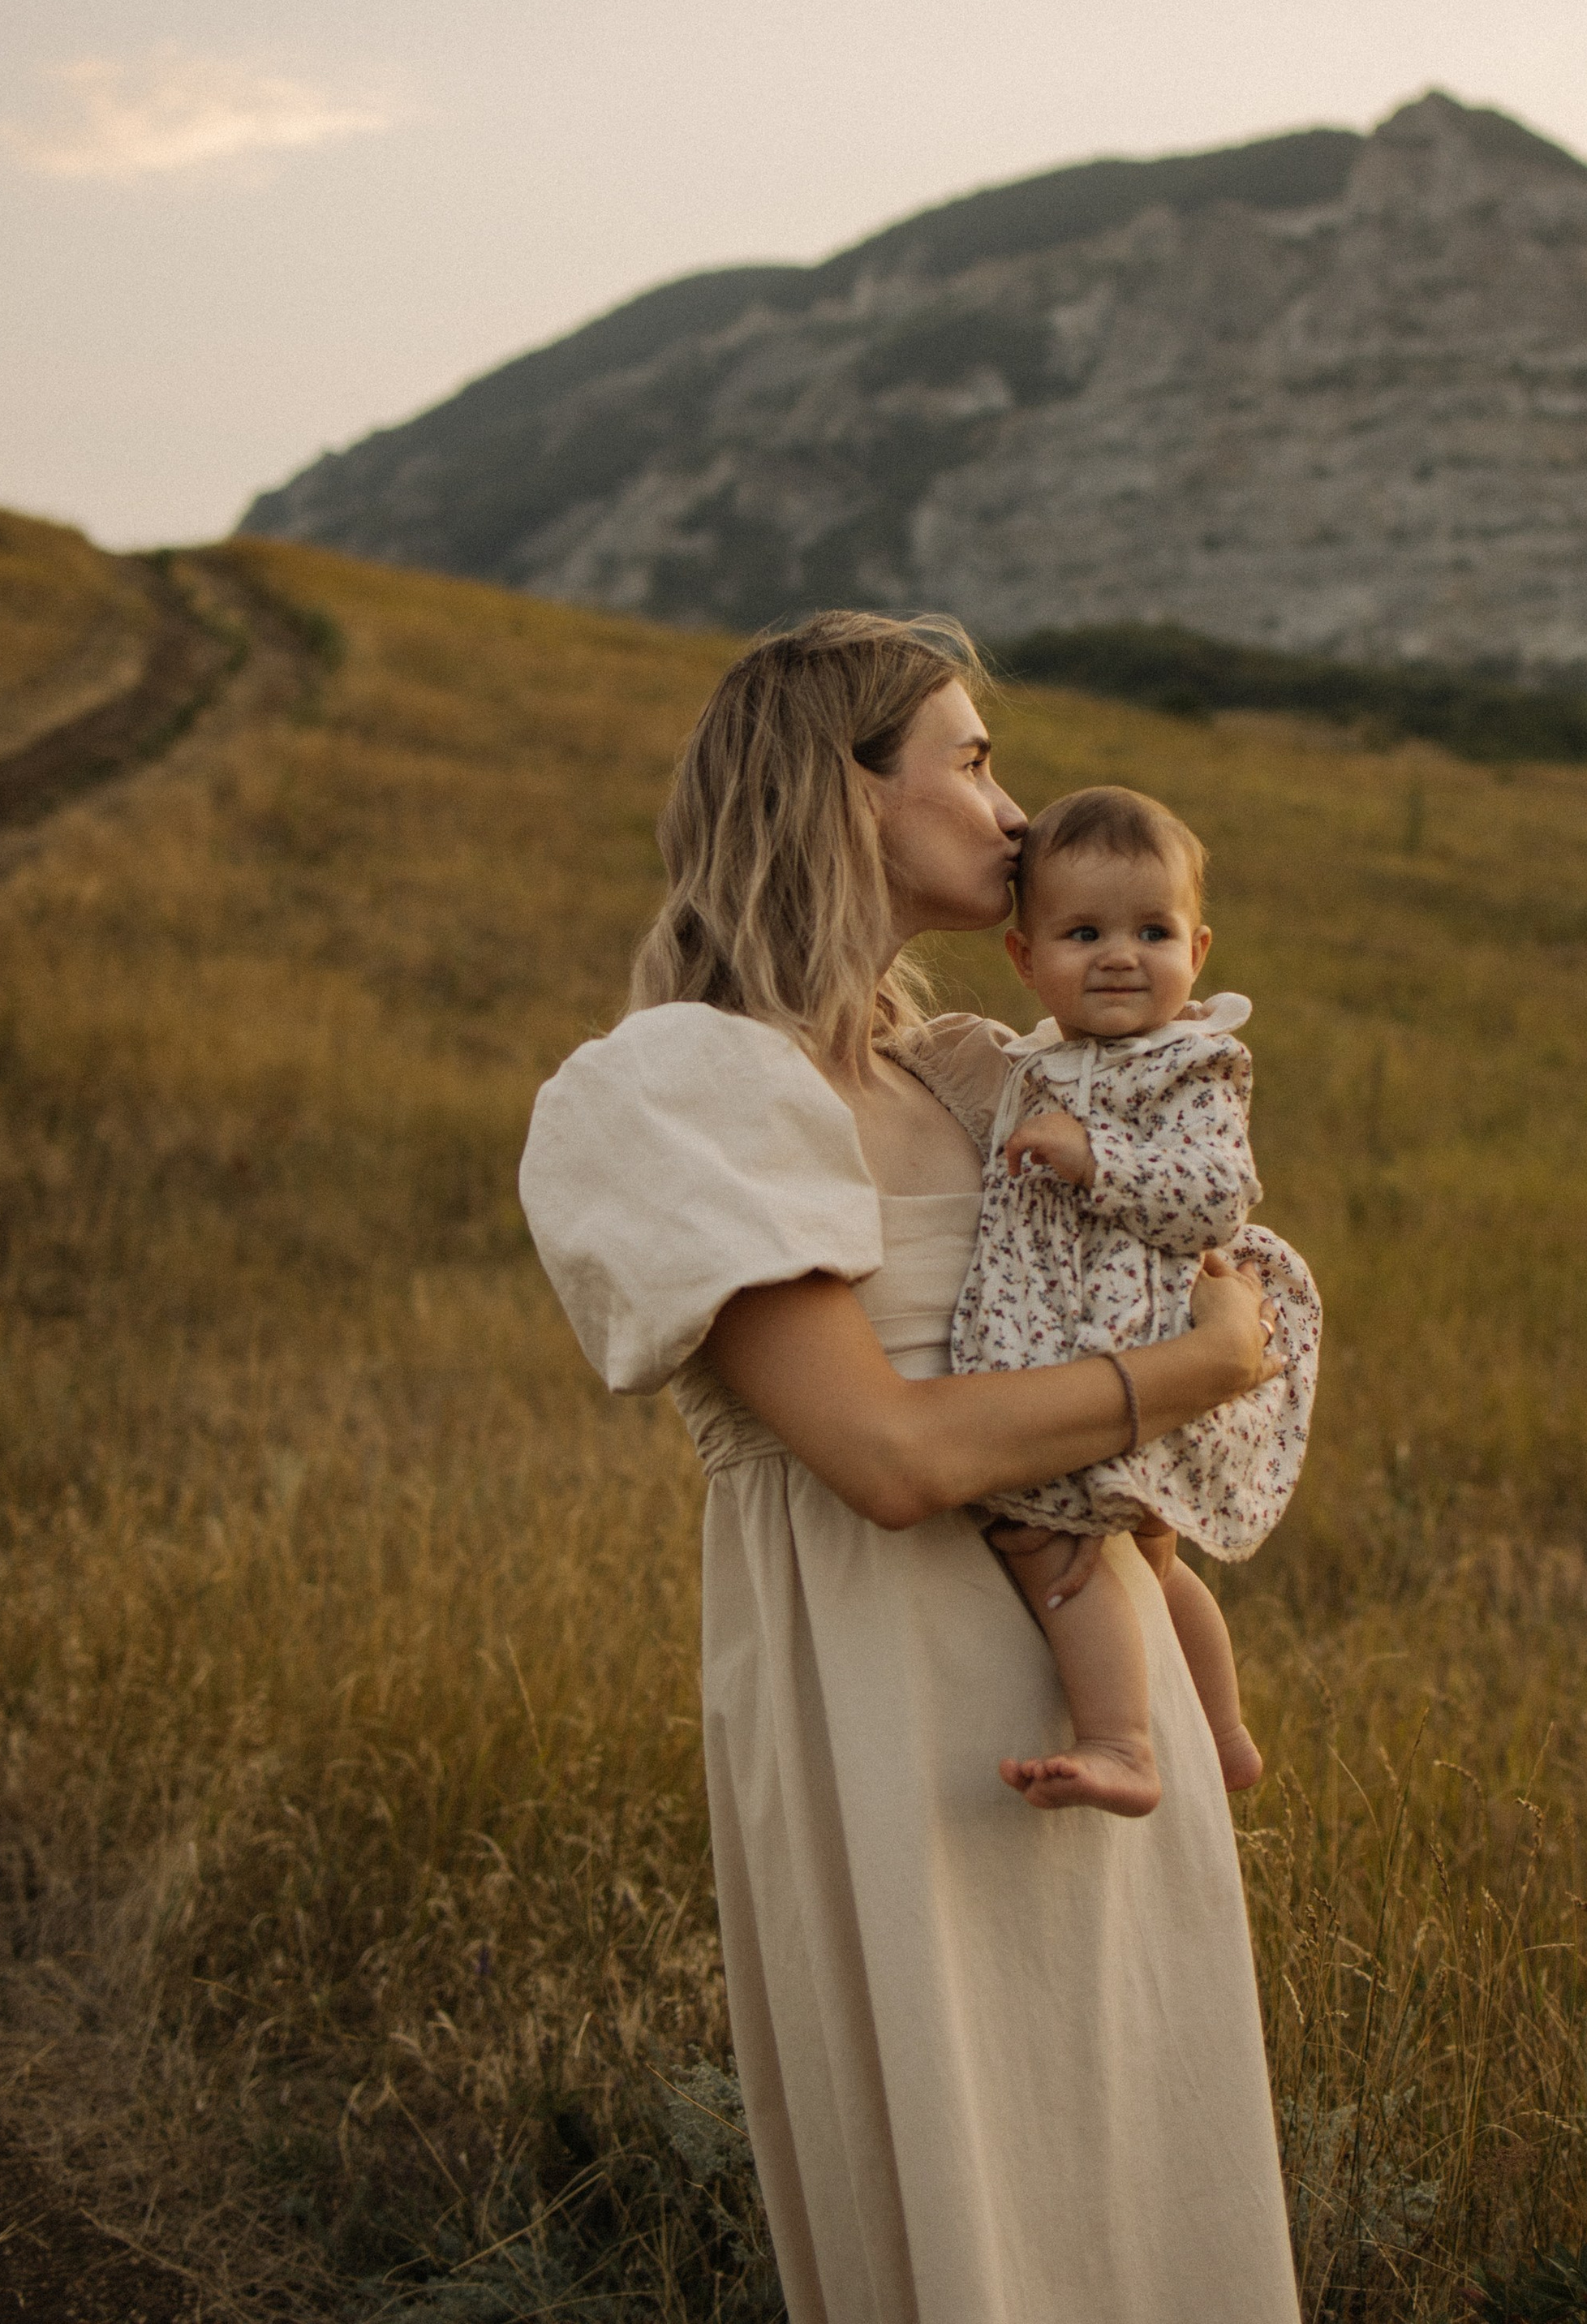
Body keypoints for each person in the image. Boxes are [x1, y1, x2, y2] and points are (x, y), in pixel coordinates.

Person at [519, 612, 1302, 2324]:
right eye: (969, 758)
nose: (1013, 813)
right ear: (845, 791)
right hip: (892, 1688)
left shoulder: (967, 1077)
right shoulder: (684, 1085)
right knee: (973, 2186)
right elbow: (881, 1453)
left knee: (1139, 2159)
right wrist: (1197, 1365)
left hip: (1098, 1683)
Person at [931, 784, 1322, 1820]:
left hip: (1130, 1343)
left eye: (1151, 930)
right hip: (1082, 1338)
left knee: (1051, 1542)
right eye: (1083, 930)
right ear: (1025, 958)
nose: (1119, 954)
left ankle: (1121, 1740)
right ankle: (1226, 1734)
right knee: (1150, 1557)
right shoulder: (1041, 1058)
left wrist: (1094, 1155)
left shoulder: (1193, 1062)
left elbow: (1218, 1192)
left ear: (1197, 950)